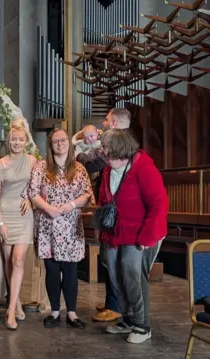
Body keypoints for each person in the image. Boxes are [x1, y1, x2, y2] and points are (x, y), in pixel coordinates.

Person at [99, 129, 168, 344]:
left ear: (119, 148)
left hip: (140, 234)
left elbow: (159, 204)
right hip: (114, 234)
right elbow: (104, 200)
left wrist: (147, 237)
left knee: (133, 275)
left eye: (106, 147)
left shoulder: (143, 167)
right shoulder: (108, 171)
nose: (103, 151)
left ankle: (142, 325)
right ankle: (128, 319)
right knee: (115, 275)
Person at [27, 128, 93, 330]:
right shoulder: (41, 167)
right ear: (51, 145)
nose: (60, 144)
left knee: (71, 271)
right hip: (48, 224)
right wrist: (48, 208)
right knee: (53, 270)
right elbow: (33, 192)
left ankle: (72, 312)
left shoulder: (79, 168)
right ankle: (55, 311)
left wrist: (71, 205)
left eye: (63, 140)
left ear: (68, 143)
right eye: (56, 141)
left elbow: (87, 193)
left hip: (71, 225)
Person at [79, 108, 132, 323]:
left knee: (113, 258)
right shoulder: (119, 140)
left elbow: (90, 163)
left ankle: (117, 305)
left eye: (107, 120)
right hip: (111, 207)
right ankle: (112, 301)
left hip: (118, 211)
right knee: (108, 256)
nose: (103, 123)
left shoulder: (118, 143)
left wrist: (79, 154)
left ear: (115, 123)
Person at [0, 120, 37, 330]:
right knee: (9, 261)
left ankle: (10, 310)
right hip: (5, 214)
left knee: (19, 260)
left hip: (24, 215)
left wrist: (30, 199)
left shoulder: (33, 161)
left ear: (26, 142)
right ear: (8, 141)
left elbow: (38, 187)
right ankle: (16, 301)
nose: (16, 143)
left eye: (20, 139)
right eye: (13, 139)